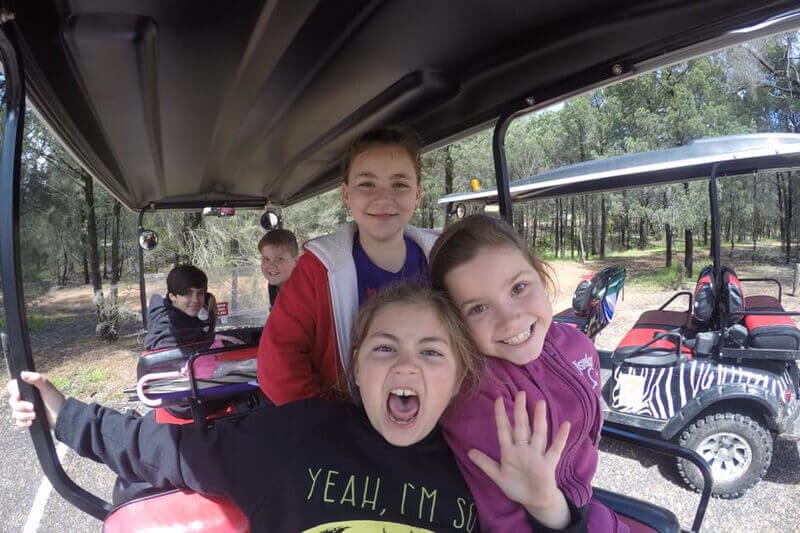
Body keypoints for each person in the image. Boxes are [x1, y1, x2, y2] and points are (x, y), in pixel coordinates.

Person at [6, 285, 587, 532]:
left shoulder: (482, 462)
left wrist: (549, 507)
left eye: (431, 352)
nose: (405, 367)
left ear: (459, 373)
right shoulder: (292, 437)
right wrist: (64, 412)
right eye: (384, 349)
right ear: (356, 369)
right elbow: (161, 448)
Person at [429, 215, 627, 533]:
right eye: (478, 308)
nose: (510, 320)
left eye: (519, 288)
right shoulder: (478, 394)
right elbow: (504, 521)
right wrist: (554, 509)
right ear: (458, 324)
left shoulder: (577, 344)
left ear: (541, 274)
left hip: (583, 506)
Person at [257, 127, 438, 405]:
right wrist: (334, 419)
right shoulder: (317, 270)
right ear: (346, 195)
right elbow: (278, 365)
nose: (383, 197)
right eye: (367, 184)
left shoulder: (443, 260)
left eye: (399, 184)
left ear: (417, 195)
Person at [143, 264, 217, 351]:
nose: (195, 300)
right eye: (187, 293)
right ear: (172, 296)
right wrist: (209, 337)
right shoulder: (167, 321)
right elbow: (158, 341)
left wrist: (210, 298)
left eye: (200, 293)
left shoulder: (184, 309)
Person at [257, 228, 299, 308]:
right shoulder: (274, 286)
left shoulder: (301, 293)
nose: (271, 266)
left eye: (279, 259)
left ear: (296, 262)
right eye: (266, 259)